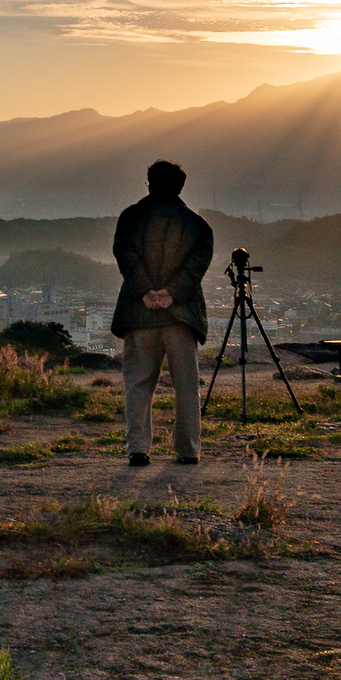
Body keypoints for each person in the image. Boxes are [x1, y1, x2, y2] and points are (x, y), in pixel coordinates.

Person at [112, 159, 214, 467]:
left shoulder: (131, 217)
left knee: (139, 382)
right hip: (181, 315)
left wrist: (146, 291)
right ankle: (188, 449)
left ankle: (138, 448)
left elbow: (125, 255)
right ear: (181, 186)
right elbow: (196, 266)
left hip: (138, 312)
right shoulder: (197, 225)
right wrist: (172, 293)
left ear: (149, 183)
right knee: (186, 385)